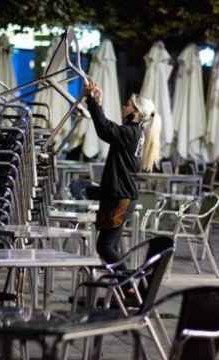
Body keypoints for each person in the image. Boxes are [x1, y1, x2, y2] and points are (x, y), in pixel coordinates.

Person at [83, 79, 161, 276]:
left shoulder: (131, 133)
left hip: (121, 199)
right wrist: (96, 102)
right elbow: (109, 128)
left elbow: (104, 129)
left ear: (136, 113)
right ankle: (121, 289)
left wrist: (92, 102)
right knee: (109, 247)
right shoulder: (135, 132)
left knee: (106, 247)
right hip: (121, 197)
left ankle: (129, 285)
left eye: (127, 105)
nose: (123, 106)